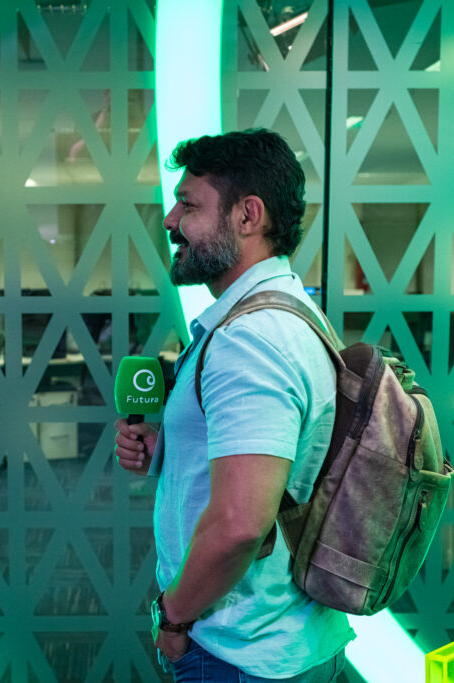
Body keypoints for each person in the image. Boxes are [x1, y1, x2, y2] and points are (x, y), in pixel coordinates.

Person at [114, 129, 354, 682]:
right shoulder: (288, 313)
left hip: (240, 651)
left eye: (189, 205)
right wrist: (173, 448)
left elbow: (240, 524)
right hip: (287, 639)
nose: (170, 220)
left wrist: (173, 617)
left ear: (248, 215)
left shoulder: (250, 339)